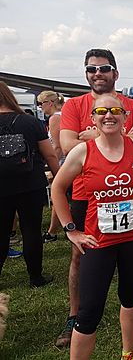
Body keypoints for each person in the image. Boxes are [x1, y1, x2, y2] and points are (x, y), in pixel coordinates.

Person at [56, 48, 133, 347]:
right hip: (86, 193)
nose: (97, 74)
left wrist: (92, 134)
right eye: (91, 69)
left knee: (132, 255)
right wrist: (70, 229)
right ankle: (76, 315)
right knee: (81, 255)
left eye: (104, 69)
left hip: (125, 195)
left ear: (115, 73)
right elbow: (66, 144)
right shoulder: (74, 104)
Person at [0, 81, 59, 287]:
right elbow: (50, 154)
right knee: (31, 230)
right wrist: (58, 180)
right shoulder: (29, 121)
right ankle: (36, 277)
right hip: (30, 182)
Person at [37, 90, 65, 243]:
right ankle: (55, 230)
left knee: (57, 197)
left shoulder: (55, 118)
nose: (40, 107)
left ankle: (53, 232)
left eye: (41, 104)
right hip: (64, 162)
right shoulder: (60, 116)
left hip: (62, 163)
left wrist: (53, 168)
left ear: (50, 103)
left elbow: (58, 146)